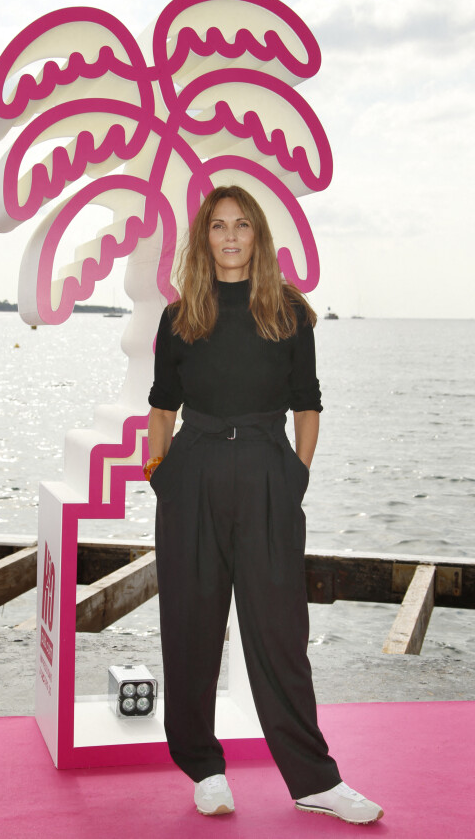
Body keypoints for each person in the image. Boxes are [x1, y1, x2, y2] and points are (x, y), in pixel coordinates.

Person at [144, 185, 383, 825]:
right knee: (191, 626)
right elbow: (162, 403)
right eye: (218, 226)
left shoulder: (289, 312)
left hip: (266, 469)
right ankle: (204, 767)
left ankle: (314, 780)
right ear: (204, 238)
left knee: (280, 630)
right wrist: (159, 472)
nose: (229, 236)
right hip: (191, 471)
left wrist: (295, 476)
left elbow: (307, 402)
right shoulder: (179, 317)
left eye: (241, 225)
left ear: (257, 236)